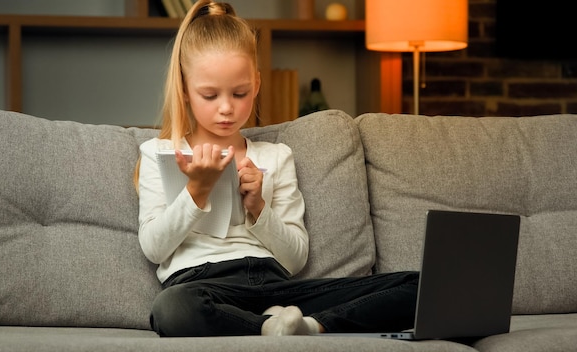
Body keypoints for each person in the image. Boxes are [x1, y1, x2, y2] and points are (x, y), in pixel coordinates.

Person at [136, 0, 419, 337]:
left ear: (255, 85)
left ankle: (308, 326)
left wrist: (258, 207)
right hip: (203, 286)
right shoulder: (160, 153)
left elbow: (294, 259)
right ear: (184, 90)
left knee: (419, 286)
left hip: (274, 286)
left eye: (239, 93)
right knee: (171, 308)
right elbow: (154, 248)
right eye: (210, 95)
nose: (226, 108)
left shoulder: (276, 156)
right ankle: (270, 327)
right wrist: (196, 191)